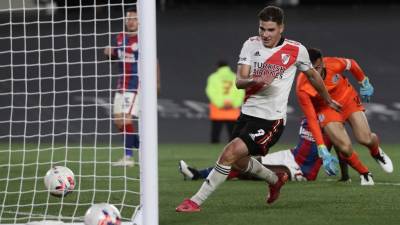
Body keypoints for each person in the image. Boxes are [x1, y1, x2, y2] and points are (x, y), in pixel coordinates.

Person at [175, 6, 341, 213]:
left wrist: (327, 98)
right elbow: (239, 81)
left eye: (270, 30)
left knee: (229, 153)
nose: (265, 34)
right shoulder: (250, 44)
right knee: (238, 163)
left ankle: (195, 201)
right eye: (262, 28)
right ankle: (275, 179)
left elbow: (314, 76)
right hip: (247, 114)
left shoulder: (296, 50)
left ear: (281, 27)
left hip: (271, 120)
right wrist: (257, 79)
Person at [296, 48, 393, 184]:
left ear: (322, 63)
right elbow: (311, 118)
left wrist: (363, 81)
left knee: (364, 138)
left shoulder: (333, 64)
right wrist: (321, 147)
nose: (314, 73)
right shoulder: (302, 87)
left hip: (347, 99)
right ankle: (365, 173)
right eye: (309, 69)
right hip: (326, 109)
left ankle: (376, 152)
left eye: (317, 67)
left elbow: (352, 64)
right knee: (344, 148)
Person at [178, 118, 360, 183]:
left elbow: (342, 148)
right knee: (241, 159)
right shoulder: (309, 115)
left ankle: (197, 175)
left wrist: (344, 176)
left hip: (301, 171)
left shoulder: (331, 123)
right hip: (289, 155)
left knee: (248, 171)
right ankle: (198, 174)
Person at [104, 7, 161, 167]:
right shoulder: (121, 37)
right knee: (118, 123)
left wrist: (156, 82)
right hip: (121, 84)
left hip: (136, 85)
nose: (130, 21)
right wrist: (110, 53)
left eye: (134, 18)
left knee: (125, 119)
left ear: (140, 21)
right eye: (128, 18)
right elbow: (116, 58)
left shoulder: (144, 39)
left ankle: (128, 158)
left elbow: (154, 61)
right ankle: (145, 149)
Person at [205, 60, 245, 143]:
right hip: (232, 111)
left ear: (218, 67)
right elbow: (241, 92)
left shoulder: (213, 77)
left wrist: (220, 104)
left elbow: (211, 92)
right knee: (233, 136)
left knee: (215, 134)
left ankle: (213, 152)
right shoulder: (235, 76)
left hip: (218, 110)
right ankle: (233, 153)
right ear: (227, 66)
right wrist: (234, 104)